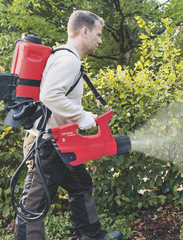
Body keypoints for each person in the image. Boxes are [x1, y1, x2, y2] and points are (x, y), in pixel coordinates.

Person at [14, 10, 123, 240]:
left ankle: (92, 236)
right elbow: (50, 95)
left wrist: (79, 115)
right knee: (33, 207)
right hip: (48, 146)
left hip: (61, 143)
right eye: (98, 34)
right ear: (85, 31)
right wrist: (80, 115)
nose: (100, 40)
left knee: (81, 185)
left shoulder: (64, 56)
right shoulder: (68, 60)